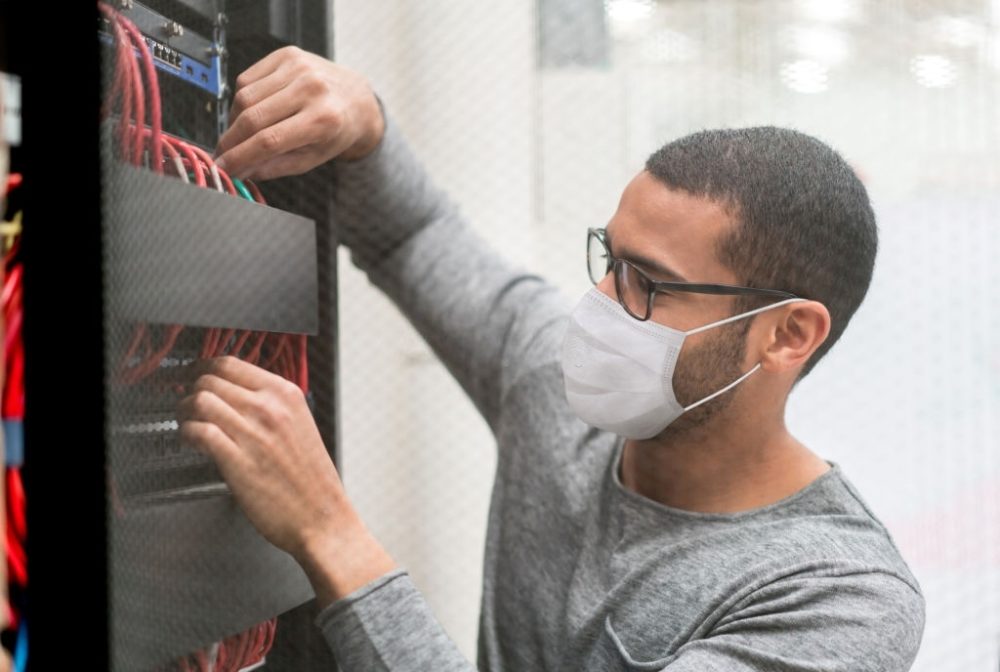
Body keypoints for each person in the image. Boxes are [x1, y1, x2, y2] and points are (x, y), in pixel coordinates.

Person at [179, 46, 925, 671]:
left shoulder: (840, 599)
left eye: (648, 284)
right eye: (610, 258)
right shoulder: (556, 385)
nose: (600, 304)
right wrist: (363, 118)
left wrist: (328, 532)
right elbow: (413, 236)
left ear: (788, 334)